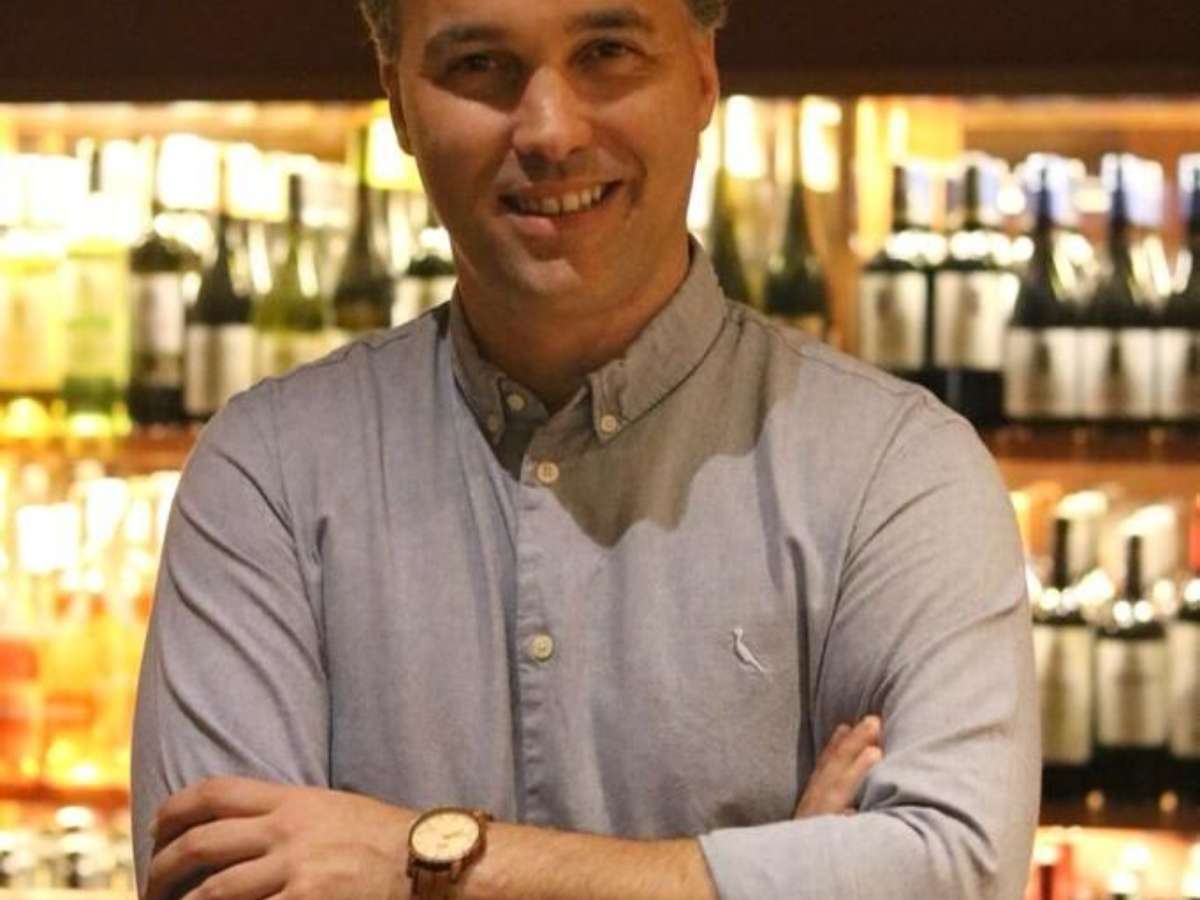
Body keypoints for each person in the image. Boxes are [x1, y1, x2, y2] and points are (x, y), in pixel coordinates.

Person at [131, 0, 1041, 897]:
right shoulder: (269, 476)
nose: (550, 131)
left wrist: (416, 863)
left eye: (607, 51)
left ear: (703, 76)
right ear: (399, 102)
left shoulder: (897, 470)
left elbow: (952, 877)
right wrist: (771, 875)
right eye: (479, 65)